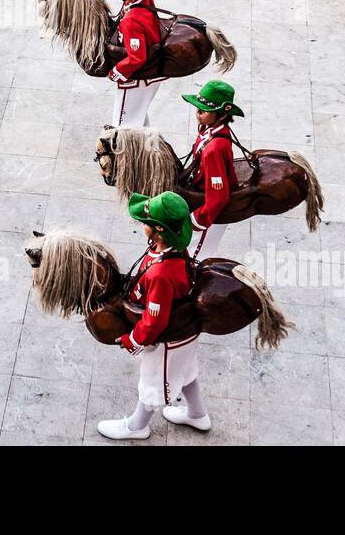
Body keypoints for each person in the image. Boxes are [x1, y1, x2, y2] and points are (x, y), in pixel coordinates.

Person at [95, 190, 209, 441]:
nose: (142, 224)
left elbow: (155, 320)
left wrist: (131, 340)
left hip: (168, 339)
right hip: (184, 332)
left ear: (158, 230)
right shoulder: (170, 251)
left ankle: (136, 427)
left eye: (147, 223)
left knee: (153, 382)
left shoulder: (161, 274)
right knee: (186, 371)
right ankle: (197, 414)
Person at [179, 79, 242, 261]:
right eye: (196, 109)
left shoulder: (214, 149)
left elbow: (218, 198)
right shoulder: (208, 128)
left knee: (194, 257)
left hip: (211, 214)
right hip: (201, 192)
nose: (197, 114)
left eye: (203, 111)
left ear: (220, 114)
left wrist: (196, 221)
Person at [99, 0, 163, 127]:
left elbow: (137, 57)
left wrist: (115, 72)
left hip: (138, 78)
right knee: (138, 120)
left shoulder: (132, 20)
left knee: (123, 126)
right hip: (149, 72)